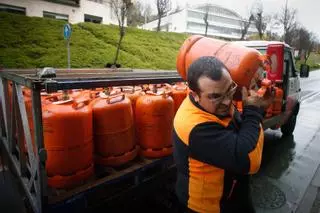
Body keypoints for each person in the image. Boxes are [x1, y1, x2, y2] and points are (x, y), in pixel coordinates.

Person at [173, 56, 273, 213]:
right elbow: (249, 159)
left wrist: (258, 107)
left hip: (233, 194)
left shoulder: (216, 103)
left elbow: (241, 129)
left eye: (230, 90)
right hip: (210, 207)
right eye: (215, 96)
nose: (227, 102)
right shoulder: (194, 127)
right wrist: (253, 112)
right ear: (194, 95)